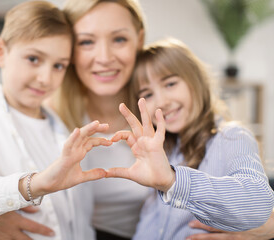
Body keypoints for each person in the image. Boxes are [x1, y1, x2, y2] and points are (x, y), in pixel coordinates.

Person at [0, 1, 112, 240]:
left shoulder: (65, 130)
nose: (46, 78)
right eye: (34, 59)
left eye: (58, 65)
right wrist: (33, 185)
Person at [0, 1, 149, 240]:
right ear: (68, 49)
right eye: (86, 42)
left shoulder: (165, 109)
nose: (105, 57)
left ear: (139, 40)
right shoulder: (45, 115)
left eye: (119, 39)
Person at [105, 38, 274, 239]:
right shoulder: (166, 152)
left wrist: (174, 181)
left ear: (195, 80)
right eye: (148, 94)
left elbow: (258, 203)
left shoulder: (231, 137)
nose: (162, 102)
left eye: (170, 84)